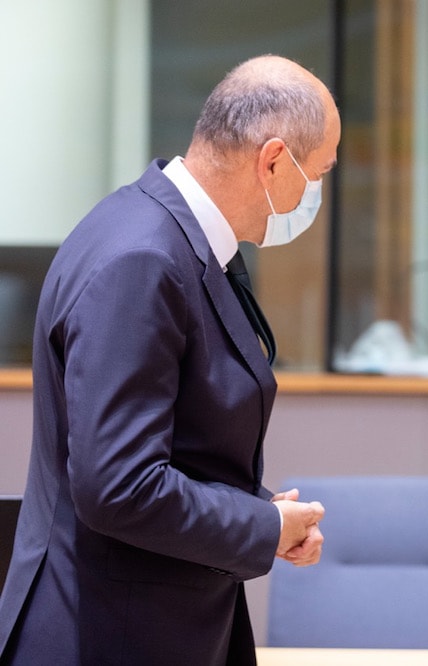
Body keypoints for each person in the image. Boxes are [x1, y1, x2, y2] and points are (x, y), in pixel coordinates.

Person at [0, 55, 336, 665]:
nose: (318, 194)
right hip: (105, 636)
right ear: (273, 160)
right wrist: (261, 530)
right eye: (320, 173)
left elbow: (176, 445)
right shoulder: (143, 259)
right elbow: (119, 486)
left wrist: (259, 513)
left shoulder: (168, 235)